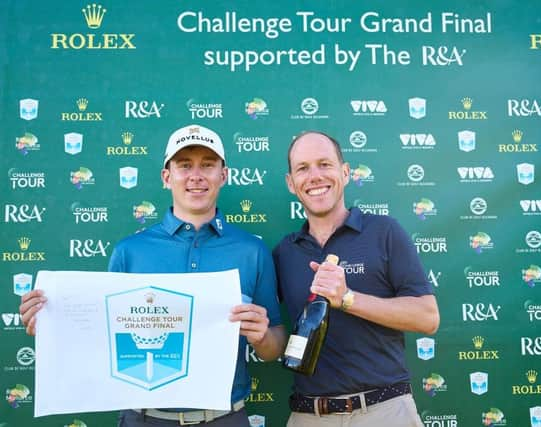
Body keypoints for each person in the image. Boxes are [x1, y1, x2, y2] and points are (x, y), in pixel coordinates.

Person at [19, 124, 287, 427]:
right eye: (184, 165)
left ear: (223, 176)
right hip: (145, 419)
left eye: (207, 165)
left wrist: (262, 336)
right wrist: (54, 326)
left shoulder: (252, 250)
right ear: (166, 176)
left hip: (225, 417)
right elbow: (103, 338)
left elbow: (274, 345)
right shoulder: (130, 251)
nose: (196, 176)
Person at [274, 131, 440, 427]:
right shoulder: (284, 252)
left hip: (385, 411)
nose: (314, 176)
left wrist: (348, 299)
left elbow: (427, 318)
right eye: (302, 168)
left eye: (325, 164)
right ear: (291, 183)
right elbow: (268, 334)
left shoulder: (384, 232)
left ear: (346, 172)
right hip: (308, 415)